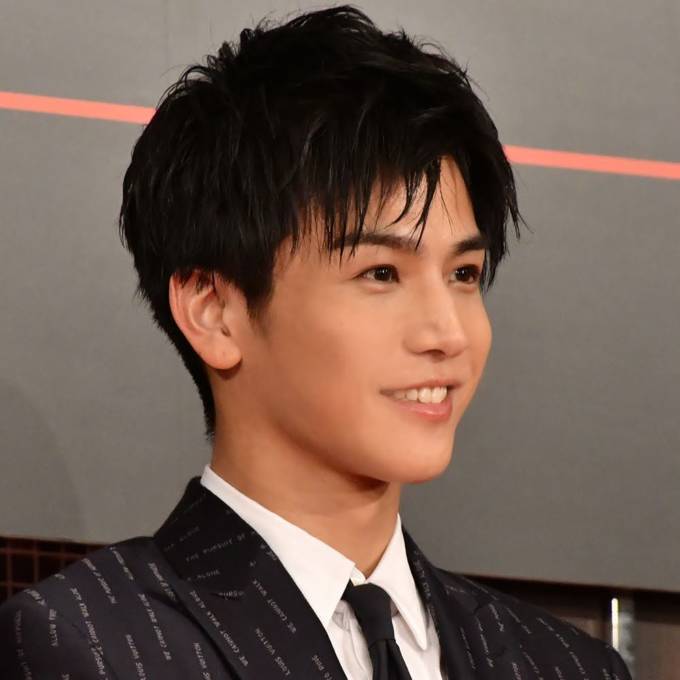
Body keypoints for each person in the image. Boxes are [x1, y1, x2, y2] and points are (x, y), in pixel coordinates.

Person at [0, 5, 631, 679]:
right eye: (381, 274)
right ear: (214, 312)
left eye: (464, 275)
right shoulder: (88, 646)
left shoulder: (567, 666)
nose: (449, 333)